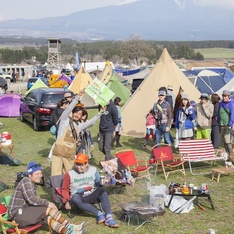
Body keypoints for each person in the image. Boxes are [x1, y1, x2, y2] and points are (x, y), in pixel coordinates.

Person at [8, 162, 86, 234]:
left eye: (40, 173)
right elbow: (31, 199)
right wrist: (48, 203)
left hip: (24, 214)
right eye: (37, 174)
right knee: (47, 209)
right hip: (17, 215)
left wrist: (47, 206)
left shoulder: (32, 184)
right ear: (29, 175)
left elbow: (34, 202)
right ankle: (69, 226)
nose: (40, 176)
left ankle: (68, 232)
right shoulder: (26, 180)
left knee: (47, 218)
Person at [51, 91, 103, 176]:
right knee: (55, 173)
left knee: (69, 173)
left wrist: (99, 113)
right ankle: (56, 188)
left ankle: (67, 188)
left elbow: (90, 123)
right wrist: (77, 97)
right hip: (58, 151)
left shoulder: (79, 126)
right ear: (73, 112)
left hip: (69, 153)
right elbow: (68, 109)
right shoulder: (65, 119)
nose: (77, 115)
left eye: (79, 114)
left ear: (81, 116)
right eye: (76, 113)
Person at [61, 153, 119, 228]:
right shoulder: (69, 174)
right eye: (77, 164)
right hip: (78, 195)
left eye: (81, 165)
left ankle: (108, 217)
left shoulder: (93, 170)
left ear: (86, 164)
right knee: (75, 198)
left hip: (91, 192)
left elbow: (98, 184)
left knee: (102, 191)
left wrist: (102, 183)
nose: (78, 167)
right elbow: (64, 189)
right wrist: (66, 201)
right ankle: (99, 214)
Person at [218, 90, 234, 162]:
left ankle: (230, 156)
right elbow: (219, 113)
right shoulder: (220, 104)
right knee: (224, 142)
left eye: (225, 96)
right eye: (223, 96)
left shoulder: (231, 104)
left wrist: (230, 124)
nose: (224, 97)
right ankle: (226, 155)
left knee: (228, 142)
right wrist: (218, 121)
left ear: (228, 96)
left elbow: (232, 115)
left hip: (228, 125)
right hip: (221, 125)